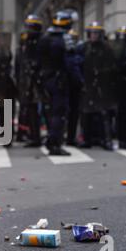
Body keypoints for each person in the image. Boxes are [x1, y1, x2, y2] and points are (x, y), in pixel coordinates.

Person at [37, 11, 73, 156]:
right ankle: (55, 144)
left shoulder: (44, 39)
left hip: (45, 80)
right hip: (59, 81)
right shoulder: (65, 39)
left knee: (49, 112)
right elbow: (69, 63)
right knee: (59, 113)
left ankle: (51, 140)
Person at [78, 22, 118, 150]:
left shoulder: (106, 48)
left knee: (104, 114)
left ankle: (107, 140)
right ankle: (87, 140)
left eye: (96, 33)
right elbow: (78, 64)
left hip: (103, 84)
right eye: (92, 33)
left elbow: (112, 67)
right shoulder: (84, 47)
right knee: (86, 114)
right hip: (88, 84)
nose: (93, 35)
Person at [15, 15, 43, 147]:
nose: (28, 30)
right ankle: (33, 135)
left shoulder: (41, 43)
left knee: (40, 111)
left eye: (31, 27)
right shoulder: (25, 45)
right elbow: (20, 66)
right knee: (30, 110)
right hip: (27, 83)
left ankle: (38, 136)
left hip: (39, 82)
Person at [64, 28, 84, 146]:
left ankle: (70, 136)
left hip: (75, 87)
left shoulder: (79, 53)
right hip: (66, 86)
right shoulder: (65, 54)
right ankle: (66, 136)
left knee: (74, 114)